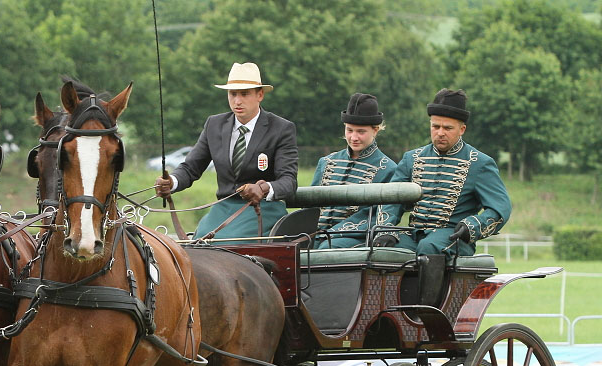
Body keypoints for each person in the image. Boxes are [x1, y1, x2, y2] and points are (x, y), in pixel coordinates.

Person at [154, 62, 297, 241]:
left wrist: (263, 188)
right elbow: (191, 168)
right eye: (233, 94)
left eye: (244, 94)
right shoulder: (214, 125)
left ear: (260, 94)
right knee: (198, 244)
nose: (237, 101)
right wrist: (171, 182)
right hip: (223, 207)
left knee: (226, 244)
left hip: (262, 208)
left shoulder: (281, 128)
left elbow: (289, 181)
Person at [373, 89, 511, 257]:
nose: (440, 133)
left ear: (462, 129)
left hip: (455, 237)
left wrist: (472, 226)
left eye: (447, 128)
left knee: (429, 247)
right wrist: (386, 230)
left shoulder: (480, 164)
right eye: (435, 126)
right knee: (382, 249)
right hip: (415, 234)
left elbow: (500, 207)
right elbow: (391, 198)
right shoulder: (412, 158)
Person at [312, 93, 397, 248]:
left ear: (375, 130)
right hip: (315, 234)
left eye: (361, 131)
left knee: (326, 247)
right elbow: (310, 207)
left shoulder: (388, 169)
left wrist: (331, 234)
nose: (353, 137)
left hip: (355, 237)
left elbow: (375, 217)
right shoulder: (326, 162)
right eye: (349, 130)